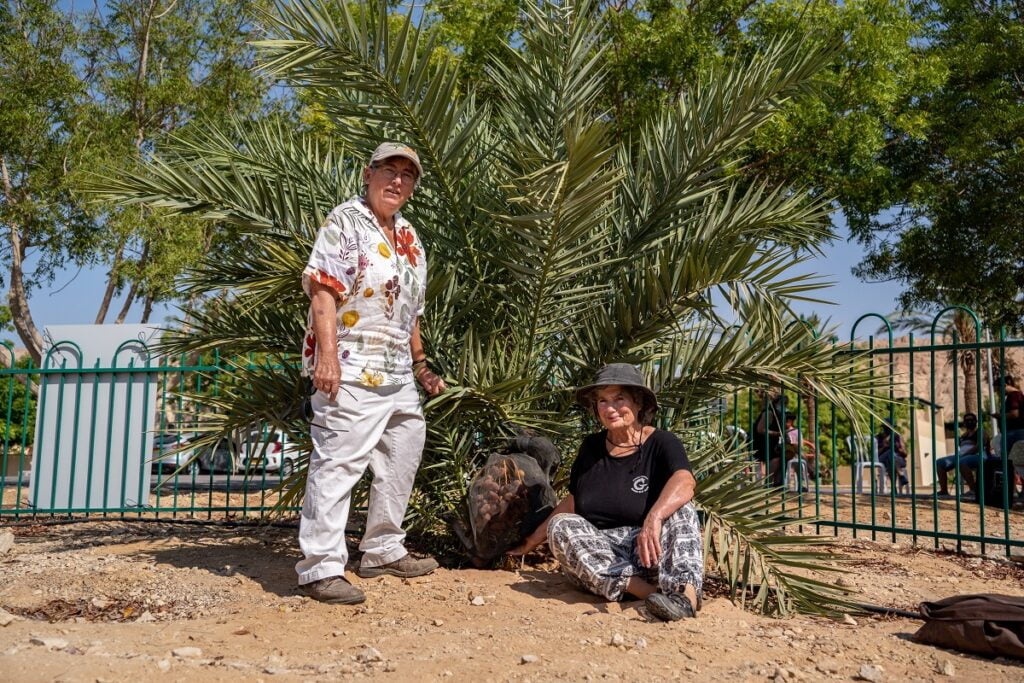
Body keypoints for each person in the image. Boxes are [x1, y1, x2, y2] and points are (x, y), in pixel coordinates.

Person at [296, 142, 447, 605]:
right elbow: (323, 291)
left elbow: (410, 312)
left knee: (404, 450)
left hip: (397, 370)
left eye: (408, 175)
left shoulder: (410, 239)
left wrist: (421, 366)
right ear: (369, 174)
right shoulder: (345, 221)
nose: (398, 181)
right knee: (339, 461)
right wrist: (328, 357)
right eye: (390, 170)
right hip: (351, 363)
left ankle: (382, 549)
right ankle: (320, 567)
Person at [508, 364, 703, 622]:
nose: (610, 408)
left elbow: (685, 481)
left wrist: (653, 519)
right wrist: (530, 541)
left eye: (618, 398)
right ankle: (650, 594)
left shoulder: (662, 442)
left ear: (638, 403)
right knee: (561, 525)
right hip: (601, 558)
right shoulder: (590, 448)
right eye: (602, 400)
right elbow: (574, 502)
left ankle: (683, 597)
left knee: (682, 509)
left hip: (651, 549)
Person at [959, 375, 1024, 496]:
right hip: (1014, 432)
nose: (998, 393)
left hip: (1013, 433)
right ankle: (1015, 491)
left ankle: (1012, 491)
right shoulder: (1018, 395)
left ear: (1004, 386)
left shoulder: (1013, 396)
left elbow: (1015, 414)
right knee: (1015, 461)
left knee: (1007, 461)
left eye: (998, 389)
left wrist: (999, 416)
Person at [934, 413, 987, 496]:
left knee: (962, 462)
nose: (970, 422)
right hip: (961, 456)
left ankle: (973, 490)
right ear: (964, 423)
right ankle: (944, 490)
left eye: (972, 420)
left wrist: (966, 454)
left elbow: (980, 445)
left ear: (976, 421)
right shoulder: (963, 436)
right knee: (940, 462)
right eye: (967, 420)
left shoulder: (980, 431)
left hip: (978, 455)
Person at [875, 419, 909, 493]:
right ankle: (901, 475)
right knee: (890, 454)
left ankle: (894, 488)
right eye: (886, 428)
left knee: (891, 459)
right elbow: (875, 454)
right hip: (882, 460)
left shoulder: (897, 437)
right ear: (883, 428)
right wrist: (884, 446)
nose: (888, 430)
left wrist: (899, 448)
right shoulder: (878, 437)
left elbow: (905, 454)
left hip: (898, 460)